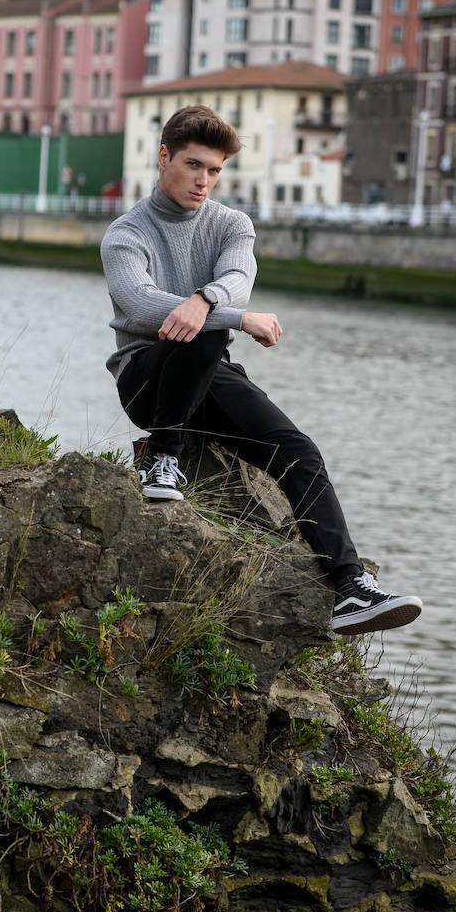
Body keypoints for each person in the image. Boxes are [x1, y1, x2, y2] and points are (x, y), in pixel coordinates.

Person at [100, 105, 422, 637]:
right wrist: (230, 316)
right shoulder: (125, 233)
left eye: (215, 170)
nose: (203, 180)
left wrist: (207, 301)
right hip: (145, 379)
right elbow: (139, 306)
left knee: (297, 449)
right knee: (204, 328)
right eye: (193, 165)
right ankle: (162, 457)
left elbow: (237, 280)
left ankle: (349, 589)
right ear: (164, 158)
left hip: (209, 370)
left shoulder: (232, 225)